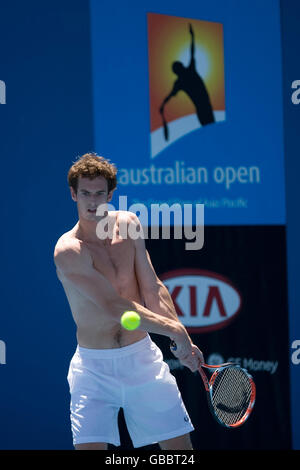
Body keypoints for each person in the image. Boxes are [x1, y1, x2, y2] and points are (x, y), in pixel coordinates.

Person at [53, 152, 204, 450]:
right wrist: (176, 332)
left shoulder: (130, 224)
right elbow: (114, 308)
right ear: (73, 194)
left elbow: (152, 287)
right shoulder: (68, 250)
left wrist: (177, 336)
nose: (92, 202)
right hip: (92, 370)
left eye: (99, 194)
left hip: (143, 361)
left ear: (111, 194)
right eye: (85, 194)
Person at [159, 23, 215, 133]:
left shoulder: (181, 80)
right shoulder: (188, 73)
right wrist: (192, 36)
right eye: (180, 65)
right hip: (204, 108)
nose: (183, 65)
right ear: (179, 68)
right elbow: (192, 52)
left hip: (203, 108)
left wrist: (162, 105)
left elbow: (169, 96)